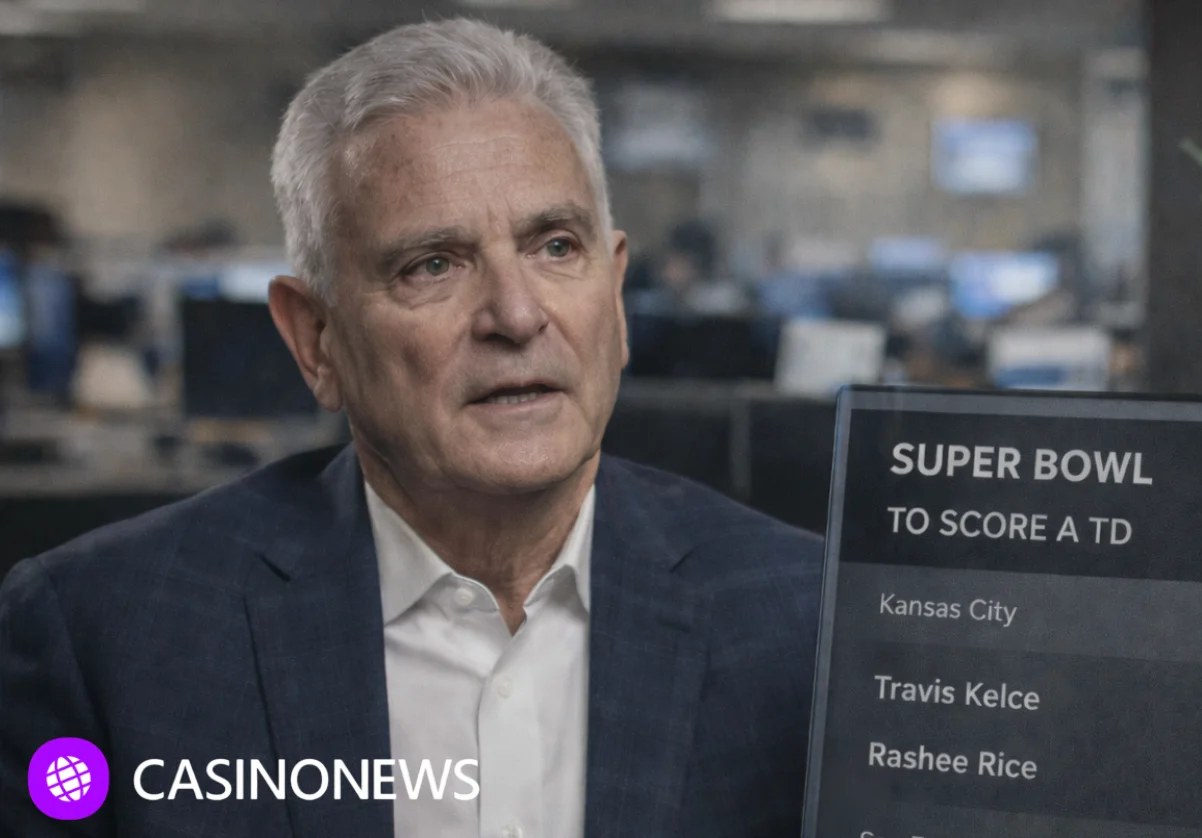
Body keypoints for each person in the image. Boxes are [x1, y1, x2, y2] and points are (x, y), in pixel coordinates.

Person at [0, 19, 822, 838]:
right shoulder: (107, 638)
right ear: (316, 339)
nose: (517, 315)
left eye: (554, 246)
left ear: (613, 295)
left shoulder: (808, 620)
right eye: (433, 265)